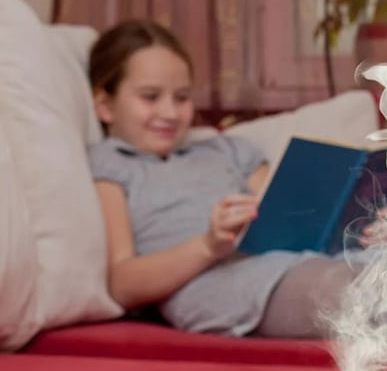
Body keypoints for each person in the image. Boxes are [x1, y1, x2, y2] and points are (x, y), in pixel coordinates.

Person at [87, 19, 361, 338]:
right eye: (150, 97)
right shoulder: (112, 165)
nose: (170, 112)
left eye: (182, 97)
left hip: (294, 261)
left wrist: (353, 225)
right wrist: (207, 246)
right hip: (221, 285)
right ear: (105, 106)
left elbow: (287, 216)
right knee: (359, 291)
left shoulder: (226, 150)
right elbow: (122, 283)